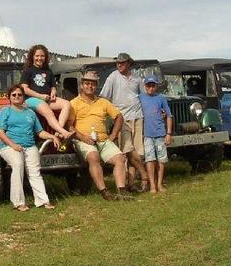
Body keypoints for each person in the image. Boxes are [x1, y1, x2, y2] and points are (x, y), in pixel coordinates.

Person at [0, 85, 59, 211]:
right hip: (9, 147)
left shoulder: (30, 113)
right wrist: (13, 145)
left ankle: (43, 201)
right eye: (14, 95)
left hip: (29, 146)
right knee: (18, 165)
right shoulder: (5, 111)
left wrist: (52, 136)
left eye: (19, 95)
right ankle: (18, 203)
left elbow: (39, 132)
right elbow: (0, 131)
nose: (17, 97)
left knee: (35, 171)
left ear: (24, 97)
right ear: (9, 97)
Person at [67, 71, 130, 201]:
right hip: (83, 140)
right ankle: (104, 191)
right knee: (93, 156)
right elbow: (69, 126)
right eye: (87, 83)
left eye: (93, 84)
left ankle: (122, 191)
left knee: (120, 159)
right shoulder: (73, 103)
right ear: (81, 86)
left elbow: (119, 116)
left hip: (103, 140)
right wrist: (83, 138)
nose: (90, 86)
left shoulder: (103, 102)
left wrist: (113, 134)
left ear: (96, 86)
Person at [100, 52, 150, 192]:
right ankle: (145, 176)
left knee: (137, 152)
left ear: (129, 63)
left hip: (138, 116)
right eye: (118, 63)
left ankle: (131, 183)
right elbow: (104, 97)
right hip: (122, 118)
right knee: (128, 150)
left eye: (122, 62)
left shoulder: (137, 78)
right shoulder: (113, 77)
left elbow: (143, 97)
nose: (119, 65)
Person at [20, 44, 73, 139]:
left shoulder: (48, 71)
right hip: (31, 99)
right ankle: (64, 133)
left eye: (42, 56)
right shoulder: (28, 71)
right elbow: (24, 89)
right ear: (32, 57)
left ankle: (58, 131)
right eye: (37, 56)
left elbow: (53, 86)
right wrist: (40, 96)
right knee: (48, 111)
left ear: (45, 57)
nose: (39, 58)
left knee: (67, 104)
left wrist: (53, 92)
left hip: (46, 99)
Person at [139, 75, 173, 194]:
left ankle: (159, 184)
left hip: (160, 133)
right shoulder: (141, 97)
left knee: (161, 159)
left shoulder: (161, 98)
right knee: (149, 159)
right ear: (145, 86)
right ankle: (152, 185)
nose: (151, 88)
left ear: (157, 87)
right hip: (147, 135)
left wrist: (168, 133)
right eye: (149, 85)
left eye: (153, 86)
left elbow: (169, 115)